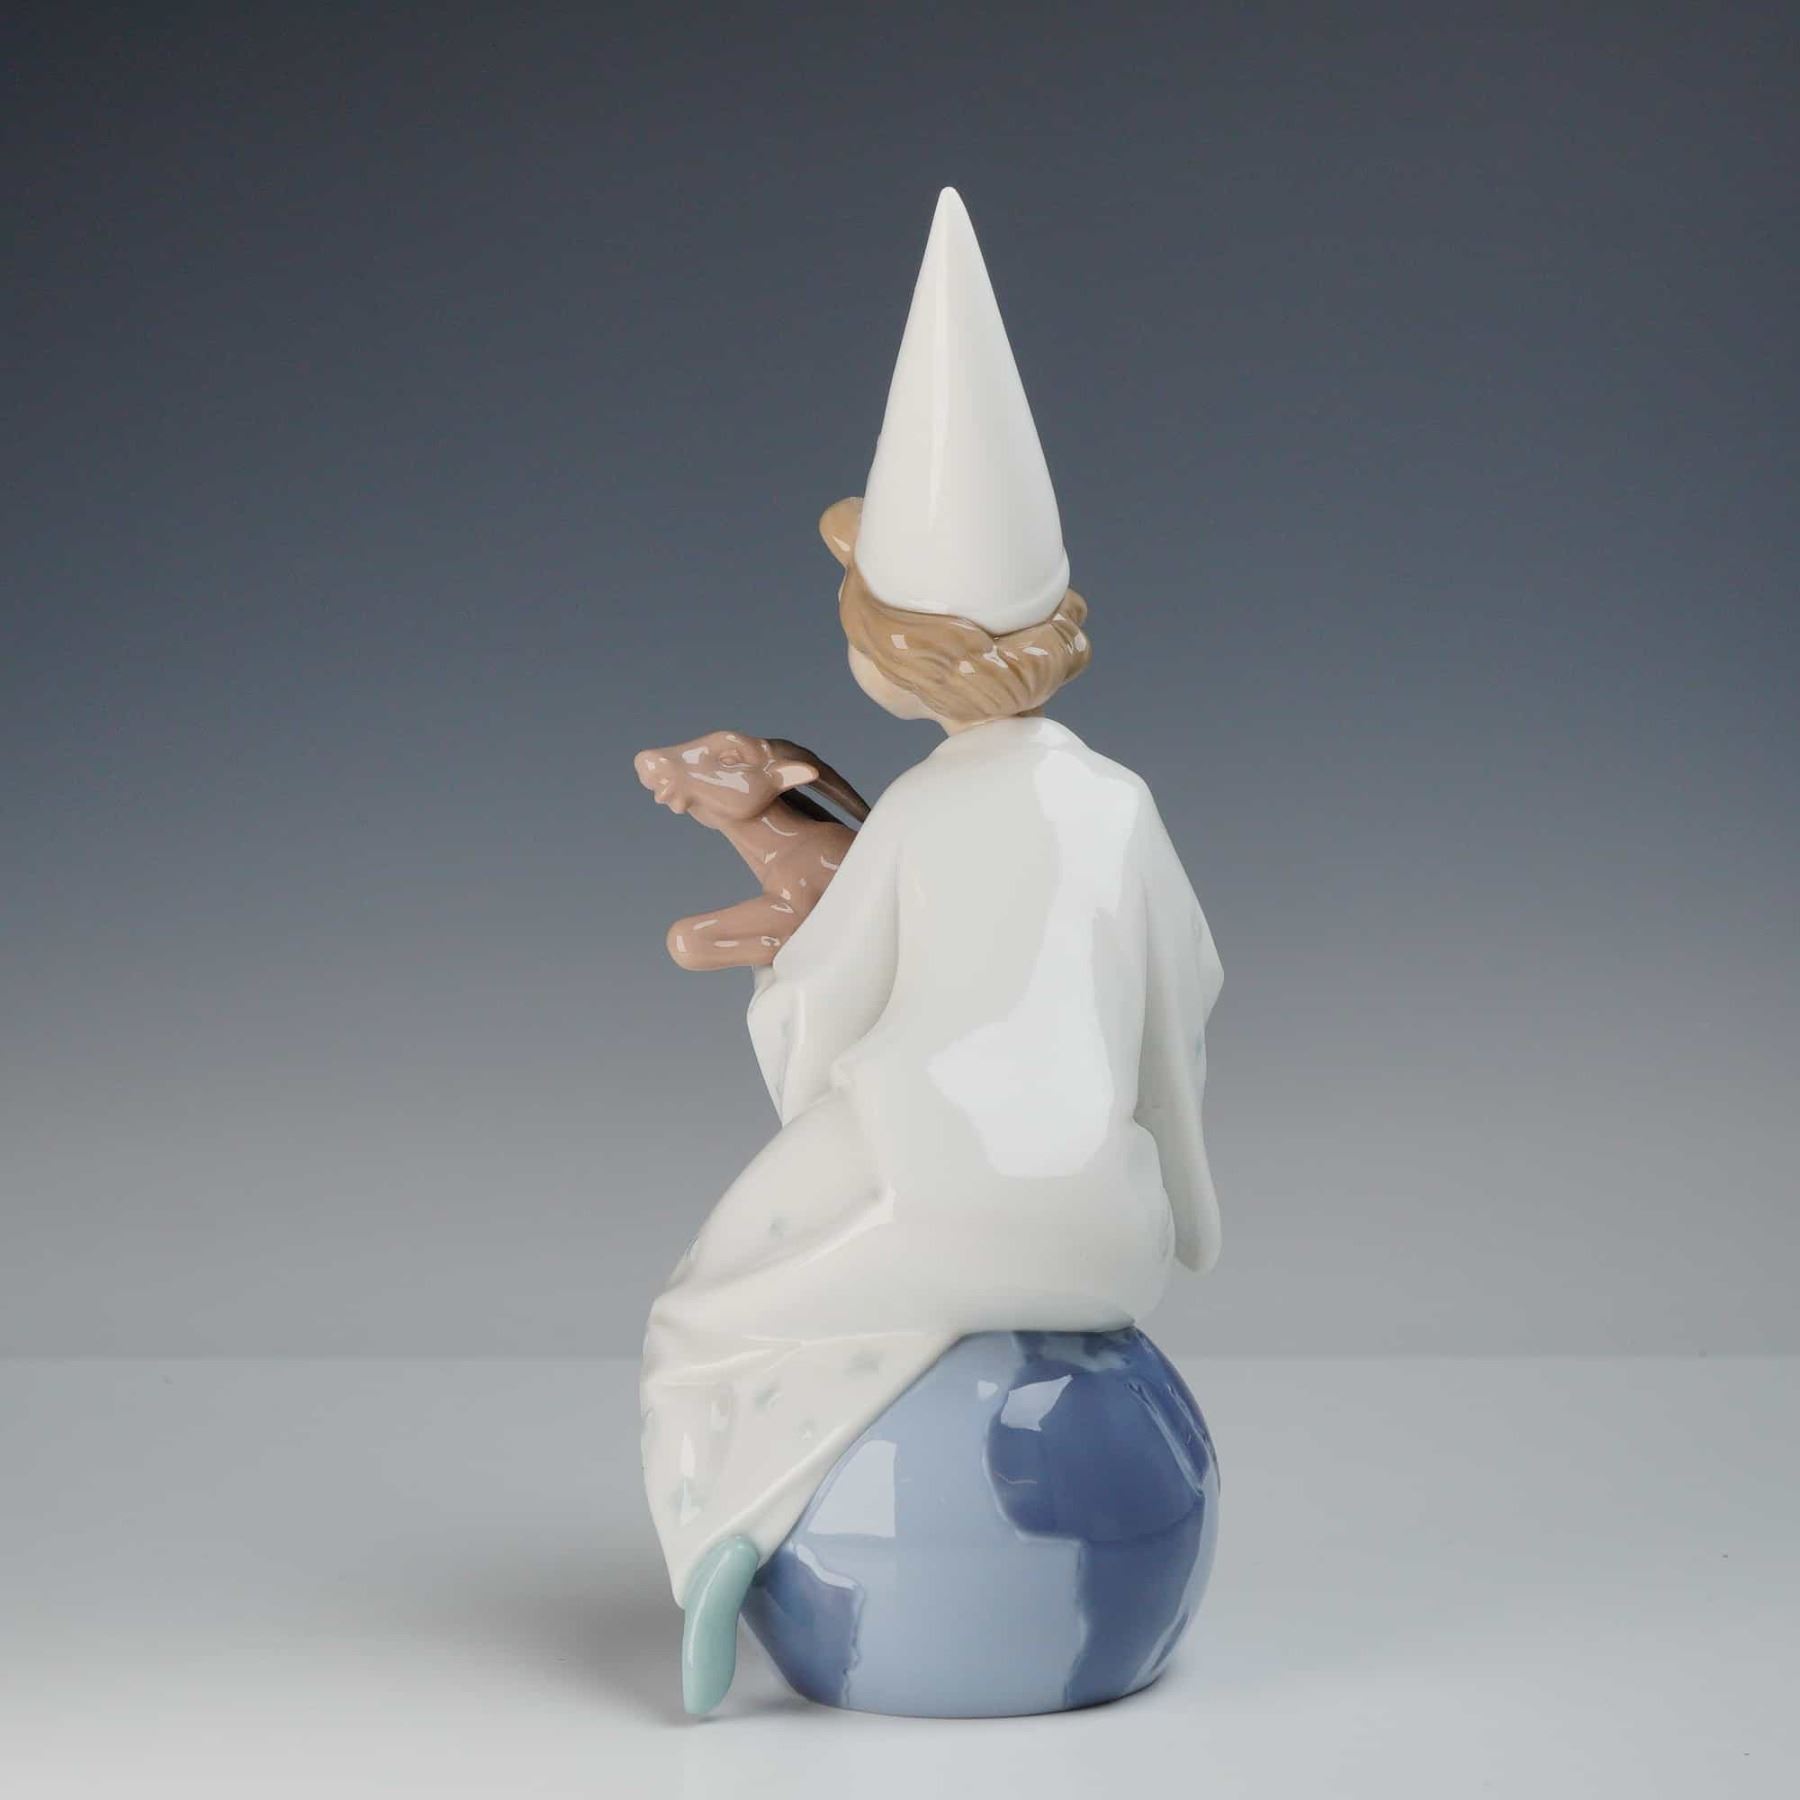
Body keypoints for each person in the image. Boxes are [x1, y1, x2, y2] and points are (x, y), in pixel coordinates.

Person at [638, 190, 1223, 1714]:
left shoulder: (913, 809)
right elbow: (1185, 998)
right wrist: (1175, 1184)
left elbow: (828, 1009)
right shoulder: (1116, 800)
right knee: (857, 1264)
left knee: (707, 1317)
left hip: (926, 1188)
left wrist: (777, 979)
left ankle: (722, 1539)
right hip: (1100, 1223)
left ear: (889, 658)